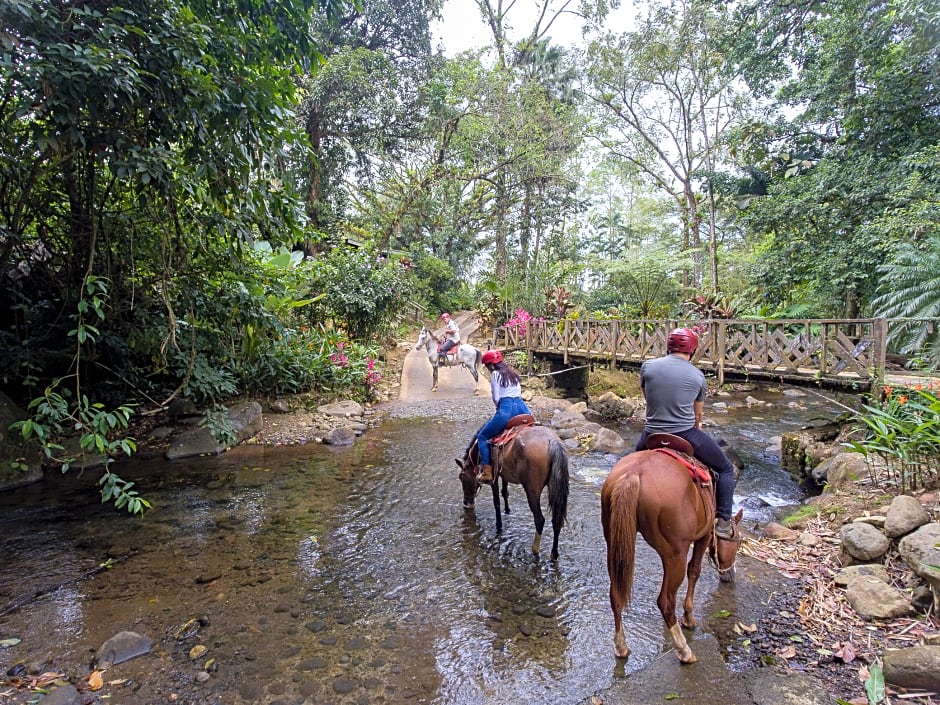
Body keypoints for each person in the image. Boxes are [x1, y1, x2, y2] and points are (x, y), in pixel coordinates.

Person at [635, 327, 738, 539]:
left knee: (627, 464)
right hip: (684, 433)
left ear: (668, 346)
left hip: (651, 434)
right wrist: (695, 425)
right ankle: (724, 522)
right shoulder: (698, 376)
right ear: (692, 349)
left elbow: (647, 396)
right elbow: (697, 415)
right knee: (726, 469)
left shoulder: (648, 367)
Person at [475, 349, 531, 484]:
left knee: (482, 437)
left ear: (491, 365)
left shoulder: (495, 374)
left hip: (506, 408)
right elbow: (518, 392)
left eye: (488, 366)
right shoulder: (513, 374)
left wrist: (499, 409)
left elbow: (496, 396)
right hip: (522, 408)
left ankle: (487, 472)